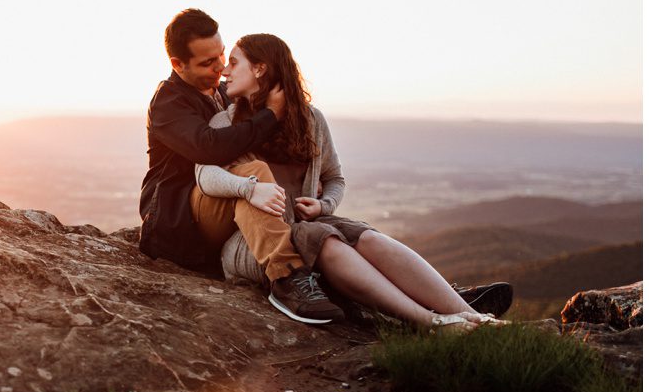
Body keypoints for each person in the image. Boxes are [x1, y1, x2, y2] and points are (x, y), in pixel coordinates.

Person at [195, 33, 507, 332]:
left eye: (234, 62)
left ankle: (474, 317)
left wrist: (323, 204)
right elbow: (204, 175)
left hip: (308, 225)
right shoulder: (226, 122)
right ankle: (430, 322)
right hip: (255, 242)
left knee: (366, 237)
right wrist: (249, 188)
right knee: (324, 239)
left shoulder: (311, 120)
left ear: (260, 68)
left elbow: (335, 178)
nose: (225, 70)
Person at [138, 9, 345, 324]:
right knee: (254, 174)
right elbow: (211, 147)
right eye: (208, 63)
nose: (221, 68)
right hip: (180, 222)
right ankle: (287, 277)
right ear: (178, 64)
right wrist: (271, 114)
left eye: (221, 56)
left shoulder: (222, 93)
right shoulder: (169, 102)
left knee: (256, 177)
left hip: (227, 212)